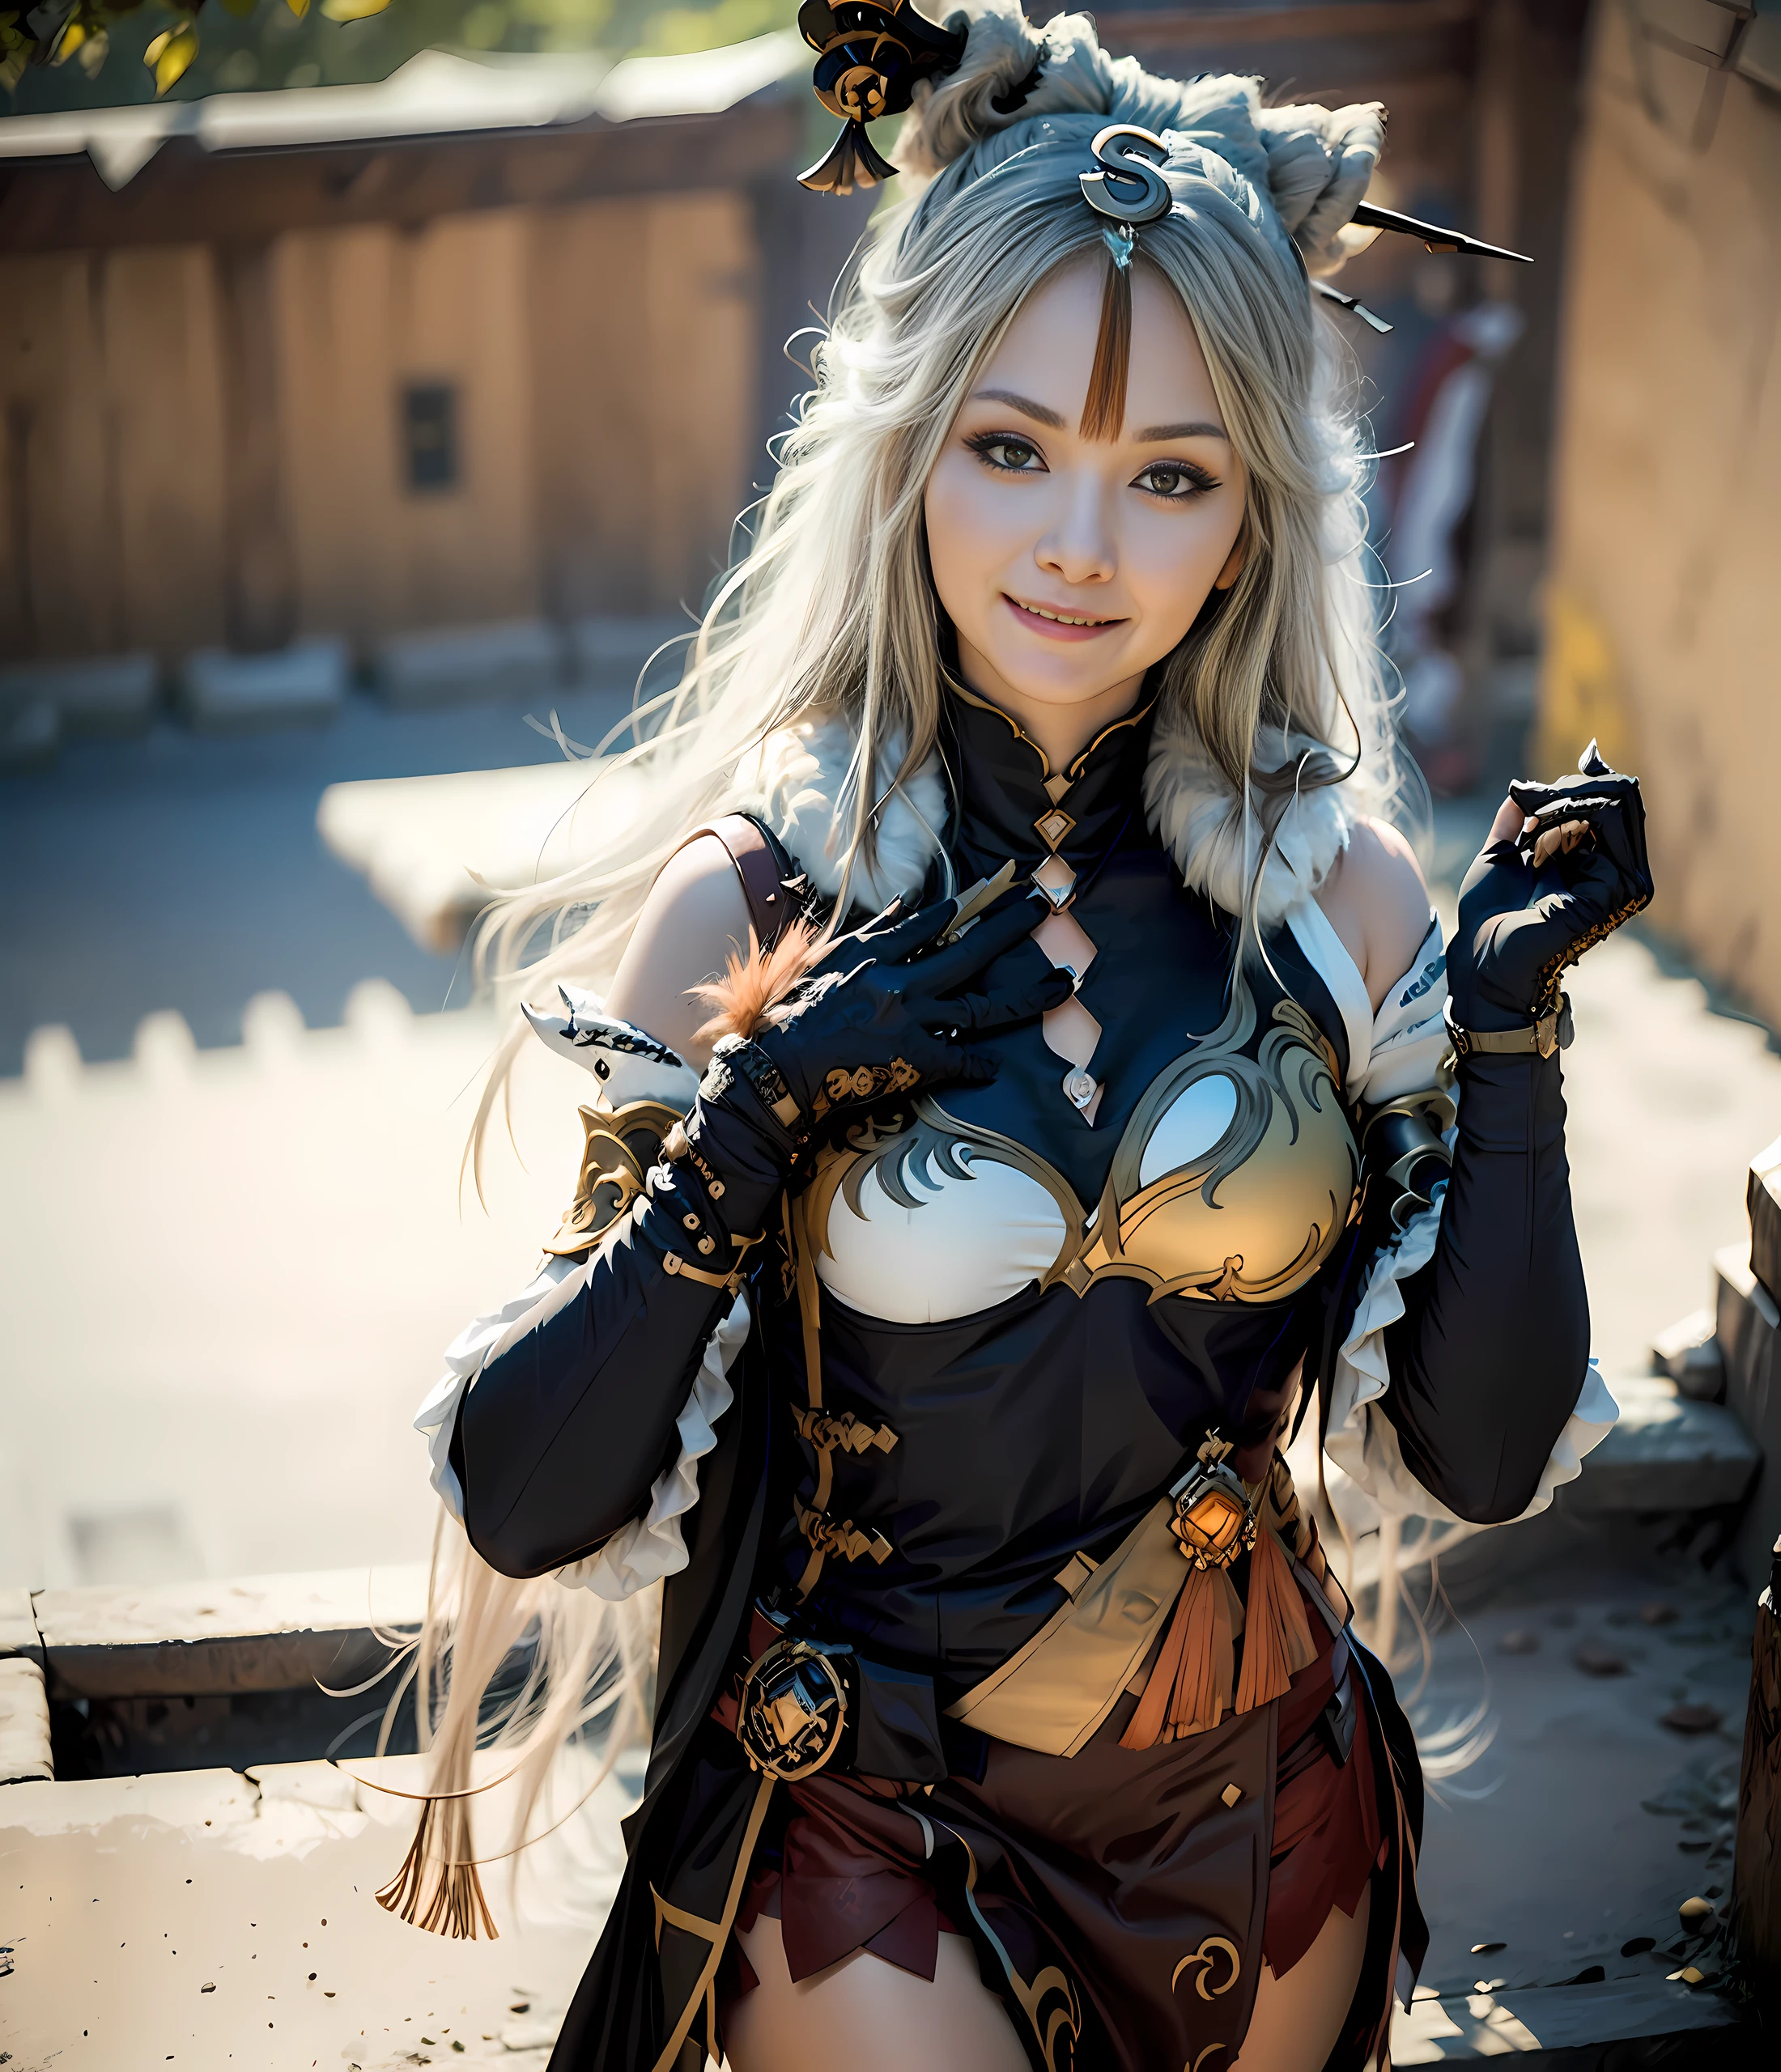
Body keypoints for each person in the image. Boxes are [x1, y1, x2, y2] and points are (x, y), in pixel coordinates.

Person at [400, 6, 1651, 2067]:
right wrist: (747, 1125)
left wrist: (1505, 1041)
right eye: (1010, 449)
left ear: (1253, 512)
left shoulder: (1333, 900)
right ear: (904, 446)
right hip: (865, 1814)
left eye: (1168, 474)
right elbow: (528, 1502)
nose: (1079, 544)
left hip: (1268, 1795)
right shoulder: (751, 912)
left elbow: (1485, 1456)